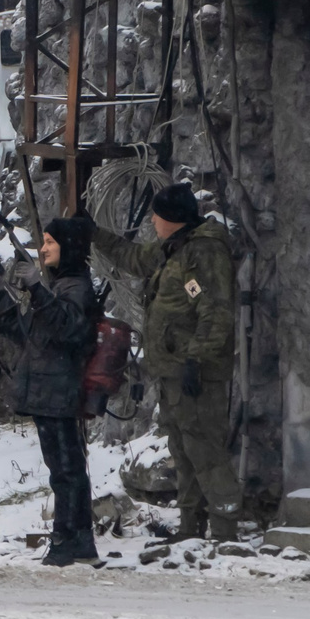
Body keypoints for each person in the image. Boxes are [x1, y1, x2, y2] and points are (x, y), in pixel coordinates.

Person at [94, 184, 240, 542]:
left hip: (196, 374)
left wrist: (196, 359)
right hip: (173, 373)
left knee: (205, 450)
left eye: (157, 216)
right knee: (183, 450)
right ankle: (191, 526)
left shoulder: (203, 254)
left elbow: (216, 312)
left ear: (171, 219)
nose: (153, 221)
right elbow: (134, 258)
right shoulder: (173, 249)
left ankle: (225, 530)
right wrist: (93, 233)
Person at [0, 214, 103, 566]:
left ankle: (70, 541)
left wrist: (36, 289)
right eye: (44, 241)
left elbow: (70, 330)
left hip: (61, 390)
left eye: (51, 242)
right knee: (62, 469)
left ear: (69, 247)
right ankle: (74, 541)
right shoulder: (59, 287)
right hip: (46, 391)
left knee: (67, 469)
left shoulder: (76, 287)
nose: (44, 248)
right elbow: (27, 335)